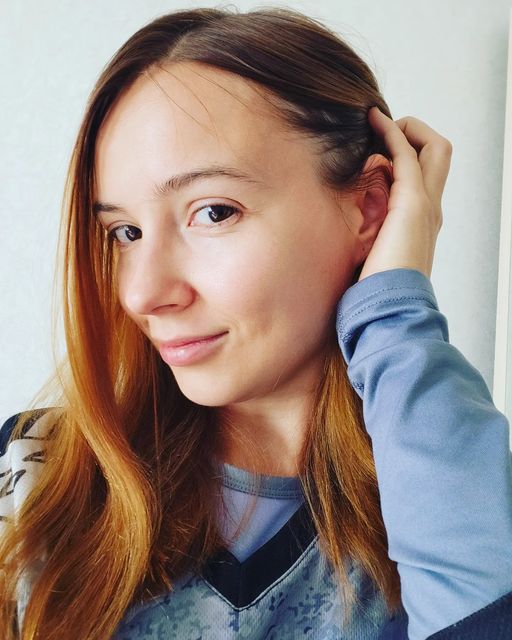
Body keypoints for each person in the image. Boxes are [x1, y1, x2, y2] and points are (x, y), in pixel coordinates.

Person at [0, 6, 511, 639]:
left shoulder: (458, 502)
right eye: (125, 232)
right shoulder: (34, 479)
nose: (142, 293)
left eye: (214, 212)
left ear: (370, 206)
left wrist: (395, 312)